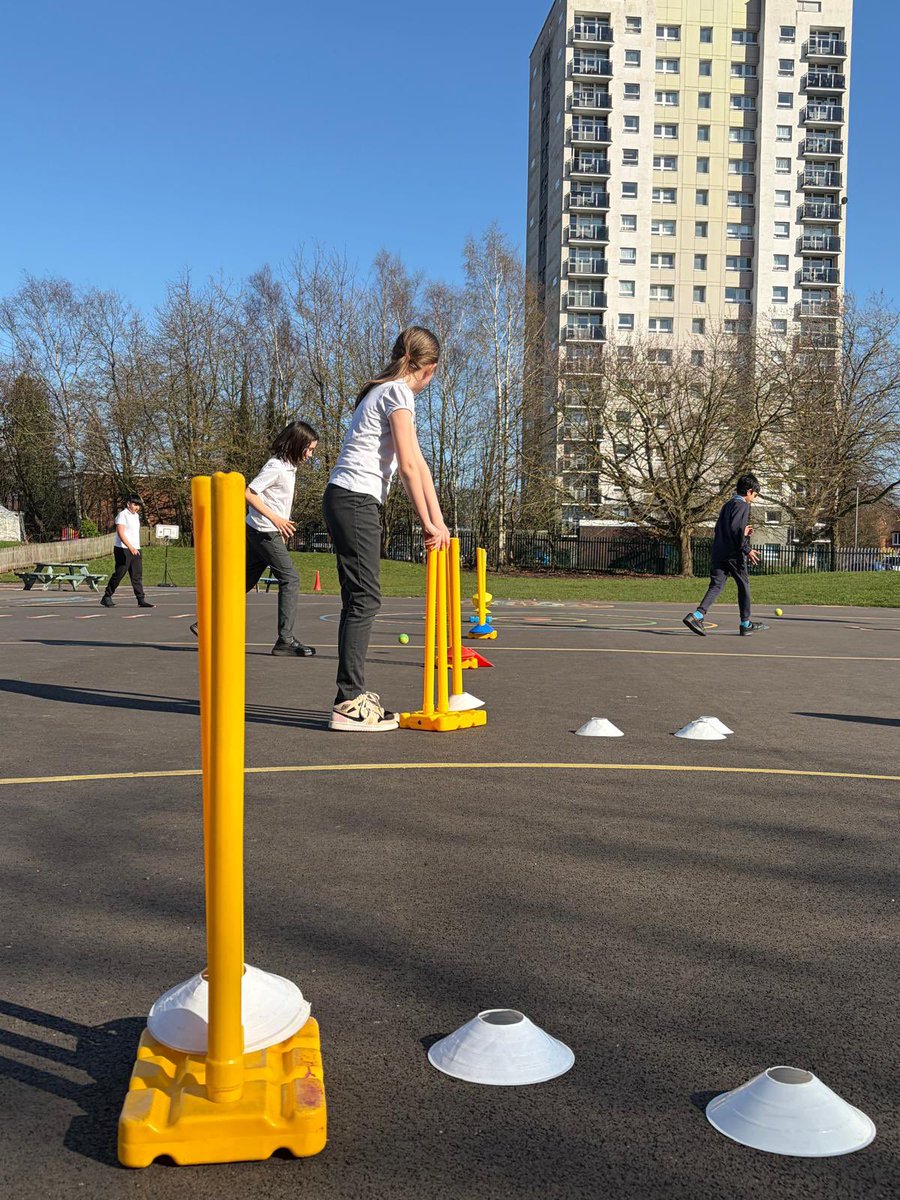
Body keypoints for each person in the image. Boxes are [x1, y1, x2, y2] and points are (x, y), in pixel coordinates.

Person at [323, 327, 450, 731]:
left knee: (359, 598)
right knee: (365, 598)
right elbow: (409, 467)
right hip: (354, 499)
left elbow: (419, 463)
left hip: (347, 498)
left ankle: (351, 696)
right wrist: (427, 524)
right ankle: (348, 702)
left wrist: (440, 519)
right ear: (428, 369)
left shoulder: (386, 390)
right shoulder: (398, 393)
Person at [683, 473, 769, 637]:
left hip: (718, 551)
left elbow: (725, 528)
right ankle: (745, 623)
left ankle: (697, 615)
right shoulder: (743, 505)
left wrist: (744, 532)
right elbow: (736, 529)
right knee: (744, 586)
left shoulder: (728, 504)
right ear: (749, 491)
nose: (755, 499)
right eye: (755, 495)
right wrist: (747, 549)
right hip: (732, 554)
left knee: (716, 585)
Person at [100, 496, 154, 608]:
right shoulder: (122, 515)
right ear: (128, 504)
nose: (137, 508)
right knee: (120, 573)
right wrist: (130, 547)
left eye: (138, 505)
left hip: (135, 549)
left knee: (137, 575)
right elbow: (121, 533)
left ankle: (141, 599)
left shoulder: (136, 516)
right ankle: (107, 596)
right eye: (135, 505)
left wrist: (135, 548)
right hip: (122, 549)